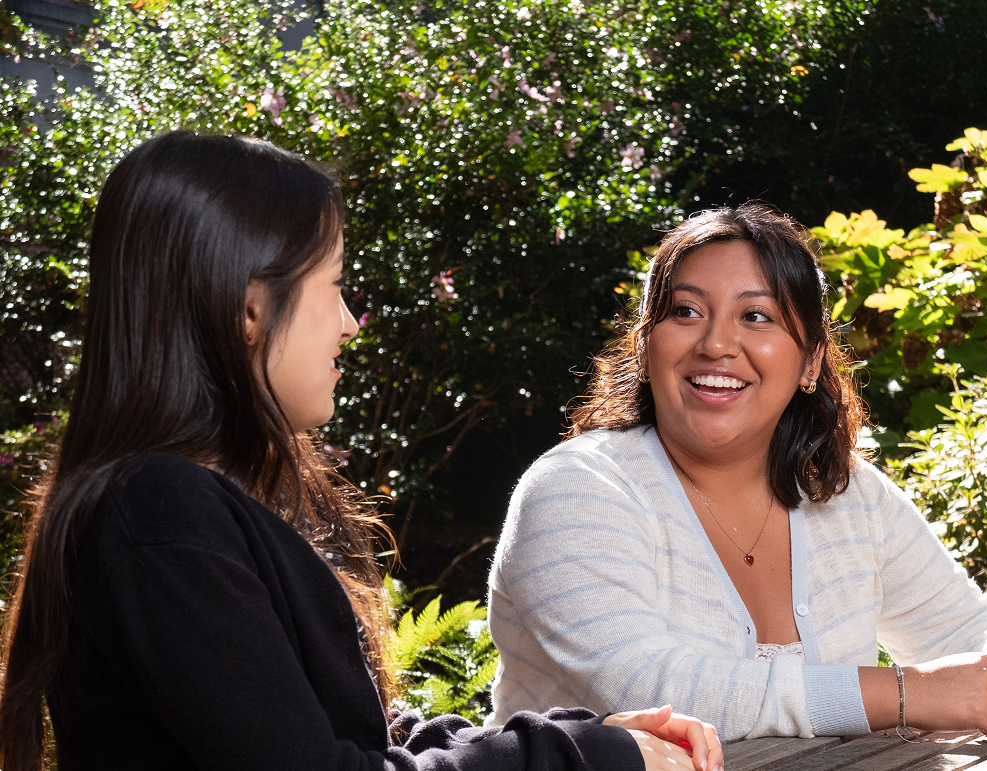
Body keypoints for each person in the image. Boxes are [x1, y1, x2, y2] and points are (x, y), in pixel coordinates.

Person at [0, 131, 723, 771]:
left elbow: (355, 734)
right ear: (250, 308)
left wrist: (591, 736)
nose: (349, 323)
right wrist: (584, 754)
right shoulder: (161, 515)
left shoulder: (188, 503)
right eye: (336, 286)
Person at [486, 202, 987, 742]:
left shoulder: (846, 495)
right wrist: (908, 693)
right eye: (686, 311)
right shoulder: (576, 490)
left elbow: (969, 625)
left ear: (810, 360)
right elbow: (657, 695)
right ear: (646, 346)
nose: (716, 343)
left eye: (756, 316)